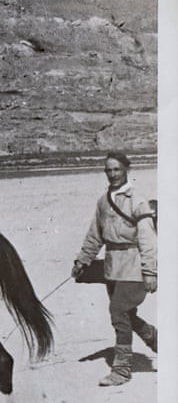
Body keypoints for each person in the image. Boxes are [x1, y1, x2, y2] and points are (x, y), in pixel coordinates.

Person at [72, 153, 157, 387]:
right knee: (126, 314)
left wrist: (150, 272)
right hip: (112, 266)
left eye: (117, 170)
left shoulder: (137, 200)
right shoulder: (103, 200)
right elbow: (95, 235)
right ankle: (159, 342)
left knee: (118, 312)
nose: (112, 174)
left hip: (134, 265)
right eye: (108, 170)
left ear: (127, 169)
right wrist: (83, 261)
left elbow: (148, 239)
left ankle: (121, 370)